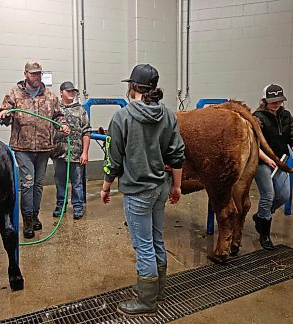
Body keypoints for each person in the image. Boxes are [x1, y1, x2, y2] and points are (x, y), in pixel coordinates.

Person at [100, 64, 185, 316]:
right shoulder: (168, 115)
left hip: (137, 192)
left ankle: (147, 302)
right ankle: (157, 291)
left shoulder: (122, 117)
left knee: (144, 245)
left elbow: (113, 159)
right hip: (161, 187)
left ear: (132, 87)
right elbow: (177, 153)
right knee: (157, 238)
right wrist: (177, 186)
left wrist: (105, 187)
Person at [0, 60, 70, 239]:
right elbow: (4, 115)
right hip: (23, 147)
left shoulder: (50, 96)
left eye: (39, 73)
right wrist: (4, 115)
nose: (36, 77)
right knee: (28, 183)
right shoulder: (14, 94)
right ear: (25, 74)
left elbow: (58, 115)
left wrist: (64, 125)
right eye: (33, 73)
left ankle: (35, 215)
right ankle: (28, 221)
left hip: (45, 147)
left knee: (38, 185)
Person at [252, 84, 293, 250]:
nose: (276, 104)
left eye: (279, 100)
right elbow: (254, 144)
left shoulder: (286, 116)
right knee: (268, 194)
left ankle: (260, 216)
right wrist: (267, 158)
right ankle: (265, 234)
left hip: (282, 160)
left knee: (283, 195)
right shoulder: (257, 117)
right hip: (262, 161)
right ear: (265, 101)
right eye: (272, 101)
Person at [51, 81, 91, 219]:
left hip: (76, 154)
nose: (71, 93)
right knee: (60, 182)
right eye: (69, 91)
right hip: (59, 154)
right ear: (61, 92)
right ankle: (60, 206)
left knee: (77, 183)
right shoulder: (55, 110)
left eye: (73, 91)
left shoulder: (81, 111)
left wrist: (85, 152)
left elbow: (86, 132)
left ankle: (78, 207)